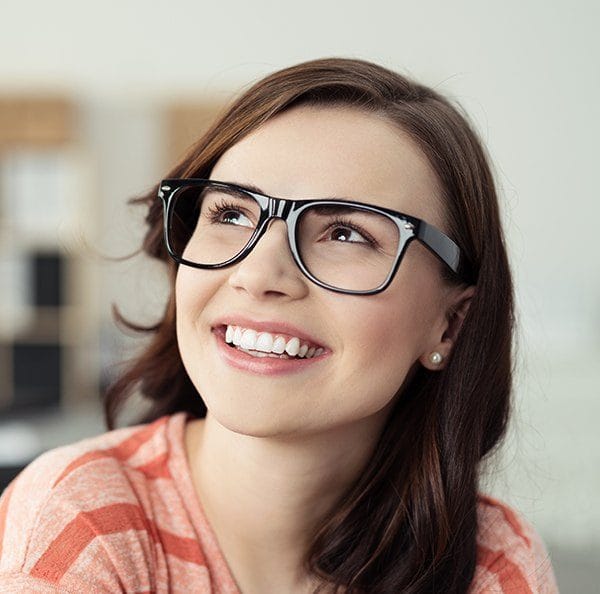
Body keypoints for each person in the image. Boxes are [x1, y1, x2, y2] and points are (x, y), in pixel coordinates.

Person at [0, 58, 559, 593]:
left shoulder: (493, 558)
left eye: (346, 233)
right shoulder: (84, 517)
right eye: (231, 214)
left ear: (450, 325)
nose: (258, 273)